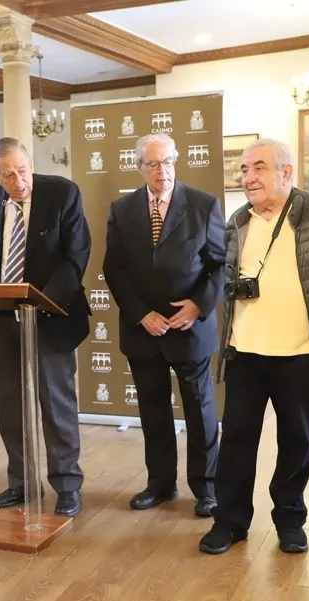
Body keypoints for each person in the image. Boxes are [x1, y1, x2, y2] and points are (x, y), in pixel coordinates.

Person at [199, 138, 309, 555]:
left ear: (286, 172)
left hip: (300, 356)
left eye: (258, 167)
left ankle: (290, 520)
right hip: (245, 354)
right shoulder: (238, 221)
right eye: (243, 170)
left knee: (296, 442)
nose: (247, 177)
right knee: (236, 441)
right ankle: (230, 521)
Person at [0, 137, 91, 517]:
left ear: (31, 165)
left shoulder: (62, 193)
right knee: (8, 406)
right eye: (8, 175)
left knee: (56, 404)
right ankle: (21, 482)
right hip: (1, 319)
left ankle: (66, 484)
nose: (19, 181)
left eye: (23, 171)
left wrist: (42, 301)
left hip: (49, 317)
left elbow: (76, 256)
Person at [103, 133, 225, 518]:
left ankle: (207, 488)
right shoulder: (122, 209)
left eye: (168, 161)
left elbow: (221, 265)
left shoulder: (204, 205)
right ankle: (160, 484)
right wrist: (141, 314)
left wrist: (198, 306)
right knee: (153, 412)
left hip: (189, 328)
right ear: (139, 167)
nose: (163, 171)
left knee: (200, 412)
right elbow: (114, 268)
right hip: (144, 330)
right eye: (153, 164)